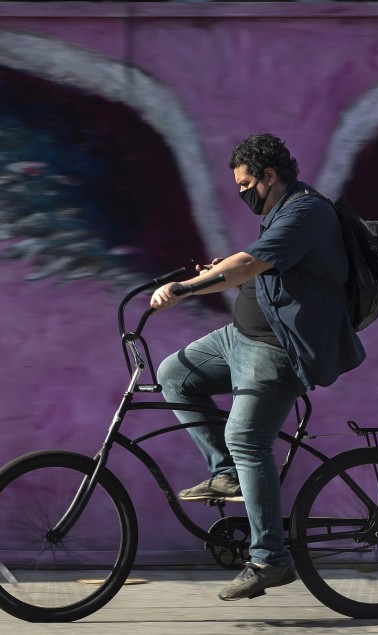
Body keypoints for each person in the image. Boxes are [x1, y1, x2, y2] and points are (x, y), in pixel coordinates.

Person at [150, 133, 365, 601]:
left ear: (271, 175)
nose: (243, 192)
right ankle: (226, 471)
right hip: (239, 338)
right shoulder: (282, 210)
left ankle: (269, 559)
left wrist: (186, 288)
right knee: (173, 375)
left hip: (277, 349)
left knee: (247, 437)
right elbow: (258, 265)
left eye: (247, 183)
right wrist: (218, 269)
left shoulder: (306, 211)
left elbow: (248, 264)